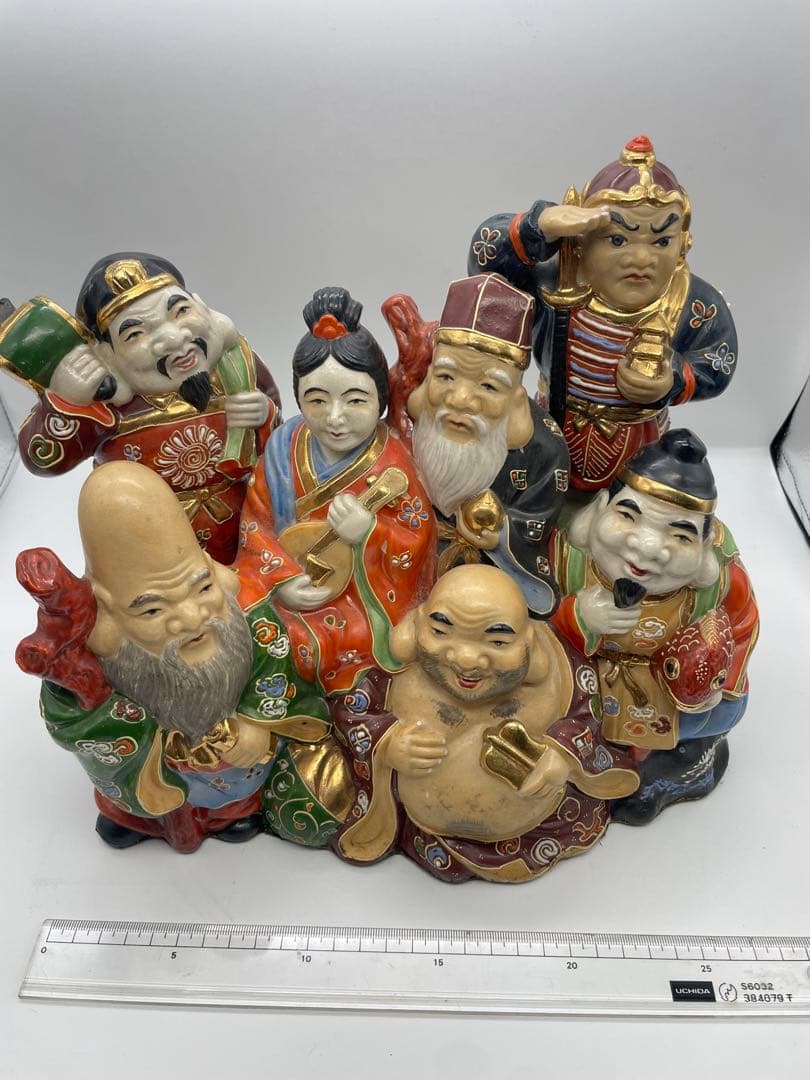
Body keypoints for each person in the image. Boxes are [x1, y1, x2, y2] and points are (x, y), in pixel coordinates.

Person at [15, 461, 332, 853]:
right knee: (135, 804)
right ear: (109, 612)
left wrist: (257, 724)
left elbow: (277, 672)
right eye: (152, 610)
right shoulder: (97, 651)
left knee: (236, 795)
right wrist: (108, 714)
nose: (192, 618)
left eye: (202, 588)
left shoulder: (254, 618)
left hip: (231, 764)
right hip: (154, 771)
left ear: (212, 568)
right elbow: (68, 720)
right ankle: (135, 818)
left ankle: (232, 812)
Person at [329, 565, 638, 883]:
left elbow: (587, 719)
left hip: (540, 828)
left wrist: (562, 757)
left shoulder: (563, 663)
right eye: (441, 632)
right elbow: (353, 713)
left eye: (498, 642)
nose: (466, 660)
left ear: (528, 641)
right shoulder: (391, 671)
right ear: (417, 624)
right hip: (427, 833)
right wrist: (388, 743)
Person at [467, 136, 738, 493]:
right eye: (617, 240)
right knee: (538, 487)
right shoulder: (555, 279)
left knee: (626, 504)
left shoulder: (693, 302)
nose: (641, 259)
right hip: (551, 424)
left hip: (638, 437)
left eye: (661, 242)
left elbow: (717, 360)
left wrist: (672, 379)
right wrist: (537, 227)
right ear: (582, 240)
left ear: (683, 243)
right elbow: (485, 264)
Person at [8, 252, 280, 562]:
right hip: (154, 552)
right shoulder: (106, 405)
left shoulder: (239, 368)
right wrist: (67, 401)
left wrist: (265, 414)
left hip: (246, 530)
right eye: (135, 334)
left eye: (180, 311)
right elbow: (44, 461)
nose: (173, 338)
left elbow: (281, 445)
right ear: (107, 355)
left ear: (201, 305)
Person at [234, 286, 436, 698]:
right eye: (317, 400)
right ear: (298, 397)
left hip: (358, 598)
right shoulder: (283, 447)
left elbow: (417, 539)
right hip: (286, 578)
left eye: (355, 400)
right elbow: (256, 525)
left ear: (380, 399)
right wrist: (281, 580)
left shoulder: (392, 462)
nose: (335, 418)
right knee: (237, 619)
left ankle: (325, 707)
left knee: (339, 643)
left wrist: (371, 534)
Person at [548, 429, 759, 823]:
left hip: (665, 688)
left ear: (705, 543)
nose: (646, 547)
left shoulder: (719, 581)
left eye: (679, 535)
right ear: (600, 507)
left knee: (722, 712)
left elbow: (743, 625)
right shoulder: (565, 557)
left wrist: (715, 683)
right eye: (628, 516)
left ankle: (671, 761)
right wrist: (577, 617)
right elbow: (527, 624)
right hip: (585, 680)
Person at [385, 273, 570, 616]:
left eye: (488, 386)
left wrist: (501, 534)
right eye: (446, 377)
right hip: (405, 573)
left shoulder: (545, 452)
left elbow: (537, 526)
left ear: (516, 398)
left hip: (490, 588)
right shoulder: (405, 426)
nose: (460, 399)